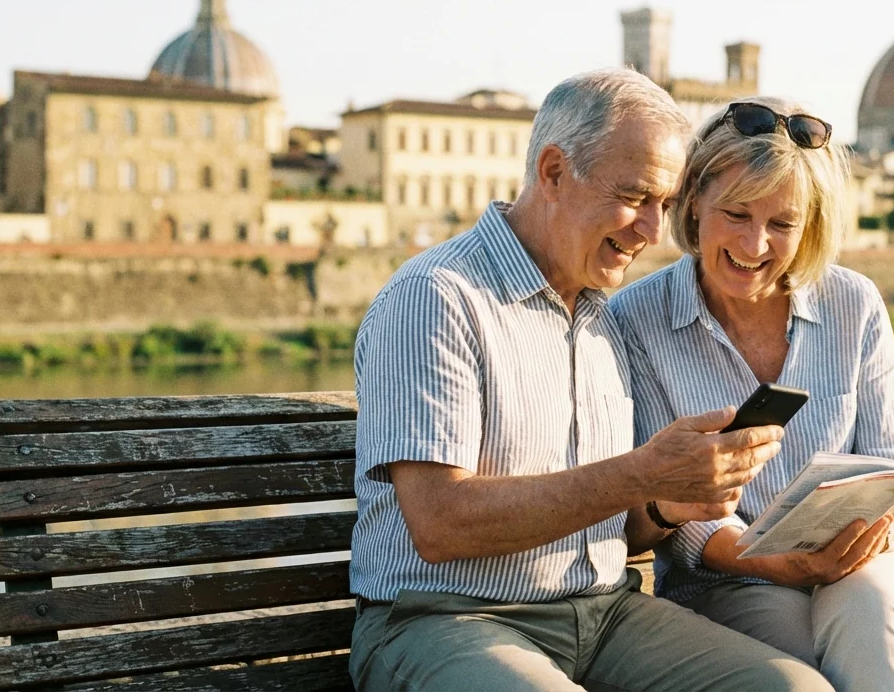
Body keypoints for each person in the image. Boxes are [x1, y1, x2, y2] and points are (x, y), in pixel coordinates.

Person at [349, 71, 834, 692]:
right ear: (553, 172)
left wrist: (663, 503)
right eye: (636, 197)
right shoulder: (436, 299)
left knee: (796, 690)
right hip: (444, 619)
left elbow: (611, 522)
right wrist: (643, 472)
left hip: (605, 615)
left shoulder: (604, 315)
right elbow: (440, 524)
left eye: (665, 203)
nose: (654, 231)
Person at [610, 97, 894, 691]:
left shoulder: (854, 303)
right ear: (693, 205)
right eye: (736, 213)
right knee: (803, 664)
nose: (756, 244)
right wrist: (778, 564)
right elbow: (675, 509)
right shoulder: (638, 319)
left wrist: (875, 534)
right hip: (730, 582)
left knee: (867, 607)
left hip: (870, 564)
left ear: (809, 227)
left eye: (782, 224)